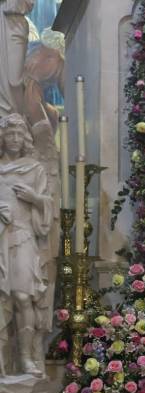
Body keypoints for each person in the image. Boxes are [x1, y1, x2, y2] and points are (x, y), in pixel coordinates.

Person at [0, 113, 53, 376]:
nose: (14, 139)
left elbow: (47, 205)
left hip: (22, 237)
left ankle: (26, 358)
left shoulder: (35, 168)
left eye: (19, 134)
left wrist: (35, 198)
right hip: (1, 237)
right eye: (10, 134)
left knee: (22, 296)